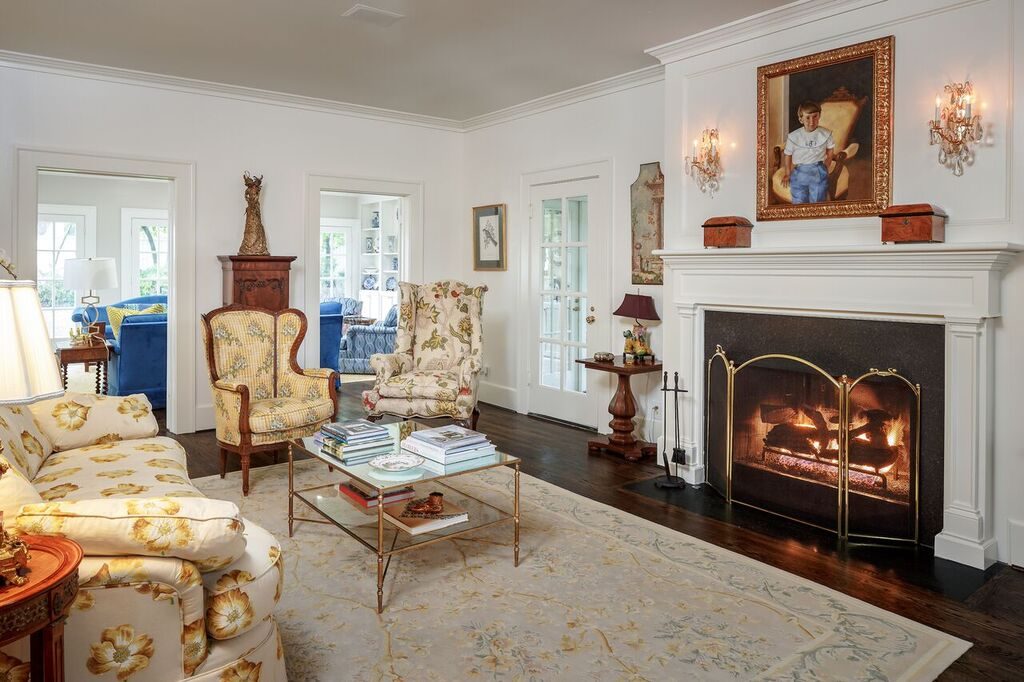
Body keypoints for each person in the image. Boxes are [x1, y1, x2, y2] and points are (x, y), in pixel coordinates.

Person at [781, 101, 835, 204]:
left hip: (818, 170)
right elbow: (788, 155)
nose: (812, 121)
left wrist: (826, 166)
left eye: (815, 117)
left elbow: (830, 150)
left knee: (818, 199)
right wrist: (787, 173)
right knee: (799, 199)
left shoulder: (826, 134)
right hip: (799, 171)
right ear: (801, 119)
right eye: (807, 118)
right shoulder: (794, 136)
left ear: (819, 116)